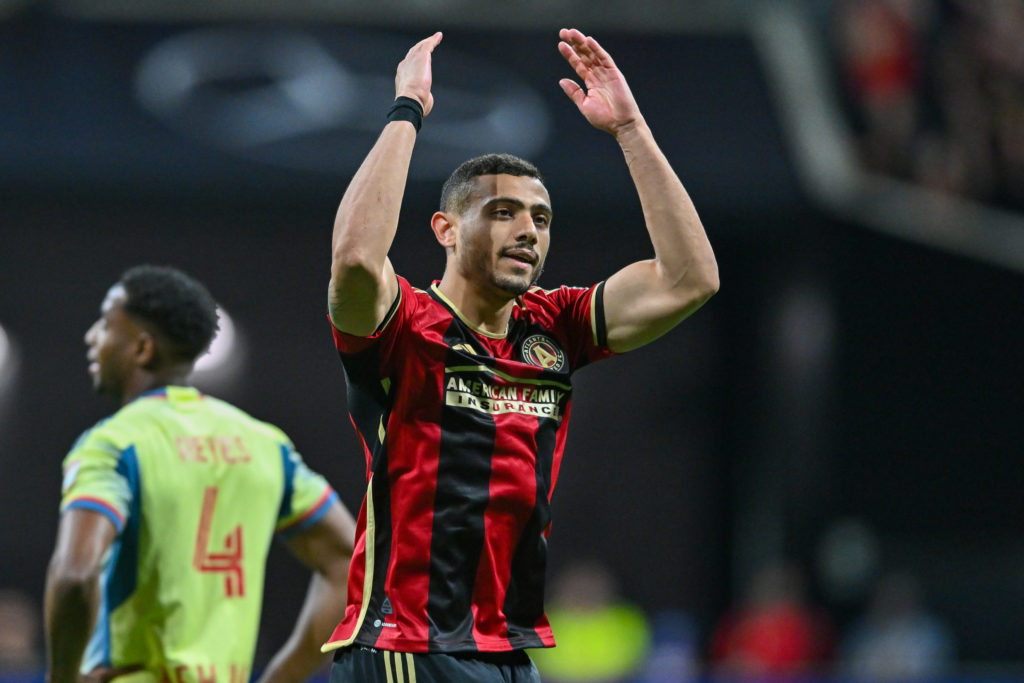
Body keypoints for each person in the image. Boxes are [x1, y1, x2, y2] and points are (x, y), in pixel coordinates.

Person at [324, 28, 718, 682]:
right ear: (446, 230)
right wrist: (406, 111)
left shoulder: (555, 326)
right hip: (407, 648)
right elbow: (356, 261)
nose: (529, 230)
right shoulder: (405, 327)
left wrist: (631, 131)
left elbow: (690, 280)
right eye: (504, 211)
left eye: (540, 217)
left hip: (507, 650)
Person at [44, 265, 357, 683]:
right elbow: (350, 563)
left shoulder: (115, 444)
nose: (92, 337)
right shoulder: (264, 445)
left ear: (142, 348)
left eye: (105, 324)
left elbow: (75, 575)